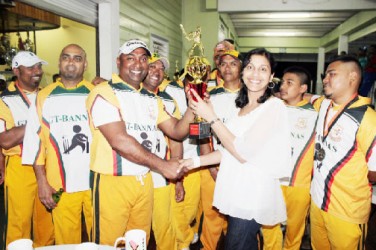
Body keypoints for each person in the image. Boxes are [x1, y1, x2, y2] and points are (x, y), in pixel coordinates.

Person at [179, 48, 291, 250]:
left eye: (263, 69)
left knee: (236, 244)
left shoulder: (274, 107)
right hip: (236, 189)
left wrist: (211, 117)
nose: (255, 74)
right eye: (250, 67)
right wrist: (193, 162)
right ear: (243, 71)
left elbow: (242, 153)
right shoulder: (242, 107)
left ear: (272, 76)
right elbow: (227, 149)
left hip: (252, 194)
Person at [85, 39, 194, 246]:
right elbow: (119, 140)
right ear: (119, 61)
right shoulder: (103, 93)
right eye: (130, 58)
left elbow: (177, 131)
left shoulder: (152, 98)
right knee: (108, 244)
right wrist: (163, 166)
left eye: (143, 58)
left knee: (138, 242)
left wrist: (194, 104)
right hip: (113, 182)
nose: (138, 64)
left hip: (144, 181)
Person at [22, 44, 93, 244]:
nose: (71, 62)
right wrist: (42, 183)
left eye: (77, 58)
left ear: (85, 64)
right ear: (60, 62)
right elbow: (34, 144)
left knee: (100, 241)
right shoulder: (43, 96)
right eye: (66, 57)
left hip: (95, 183)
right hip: (60, 184)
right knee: (66, 243)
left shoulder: (96, 94)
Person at [310, 55, 376, 249]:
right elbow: (305, 96)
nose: (324, 79)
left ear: (352, 78)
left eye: (332, 74)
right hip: (316, 202)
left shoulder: (368, 119)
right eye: (325, 75)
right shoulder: (323, 104)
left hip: (347, 213)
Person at [0, 51, 54, 248]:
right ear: (16, 70)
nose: (37, 71)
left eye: (39, 66)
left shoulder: (48, 95)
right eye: (30, 67)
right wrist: (37, 120)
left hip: (49, 167)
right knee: (18, 226)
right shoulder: (4, 100)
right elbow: (5, 140)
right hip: (20, 166)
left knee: (47, 225)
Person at [262, 66, 317, 250]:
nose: (283, 86)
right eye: (282, 82)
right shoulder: (272, 108)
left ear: (303, 88)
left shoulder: (317, 114)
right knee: (269, 226)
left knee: (295, 230)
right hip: (273, 181)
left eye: (289, 82)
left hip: (299, 185)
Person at [198, 49, 242, 250]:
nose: (228, 67)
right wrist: (212, 167)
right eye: (223, 63)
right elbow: (201, 132)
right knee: (211, 216)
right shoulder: (209, 96)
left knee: (243, 219)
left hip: (244, 169)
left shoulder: (254, 95)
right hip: (213, 165)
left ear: (241, 66)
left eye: (233, 63)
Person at [143, 53, 185, 250]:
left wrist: (178, 178)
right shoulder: (127, 95)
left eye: (161, 68)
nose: (157, 72)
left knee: (164, 226)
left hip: (161, 174)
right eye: (152, 66)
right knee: (135, 229)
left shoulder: (169, 101)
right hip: (132, 175)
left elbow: (176, 141)